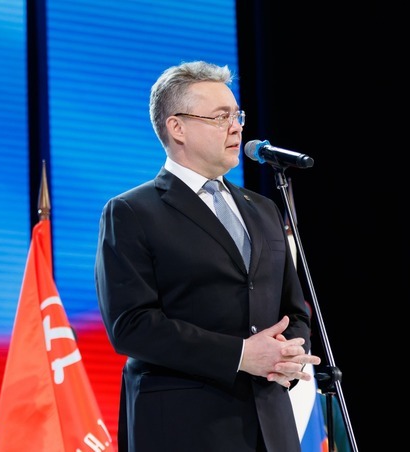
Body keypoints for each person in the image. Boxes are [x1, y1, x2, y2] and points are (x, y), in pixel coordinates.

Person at [94, 60, 321, 452]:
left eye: (237, 115)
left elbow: (294, 309)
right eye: (220, 117)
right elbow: (131, 325)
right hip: (184, 426)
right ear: (177, 127)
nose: (236, 127)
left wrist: (287, 352)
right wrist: (240, 355)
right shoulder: (132, 212)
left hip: (271, 426)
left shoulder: (263, 208)